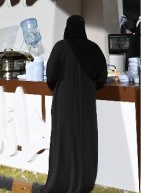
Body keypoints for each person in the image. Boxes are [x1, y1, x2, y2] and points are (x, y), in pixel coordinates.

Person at [42, 15, 108, 193]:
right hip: (86, 104)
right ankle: (83, 181)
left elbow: (51, 75)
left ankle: (61, 182)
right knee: (84, 141)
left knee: (64, 141)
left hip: (64, 104)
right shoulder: (94, 49)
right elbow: (102, 77)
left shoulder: (60, 47)